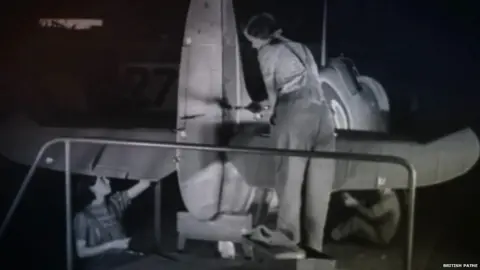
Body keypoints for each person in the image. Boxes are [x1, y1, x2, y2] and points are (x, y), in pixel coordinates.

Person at [242, 13, 336, 257]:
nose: (251, 45)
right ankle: (315, 247)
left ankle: (289, 246)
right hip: (323, 116)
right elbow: (309, 81)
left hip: (295, 114)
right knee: (320, 187)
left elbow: (273, 93)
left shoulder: (267, 53)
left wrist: (270, 116)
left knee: (289, 183)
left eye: (251, 40)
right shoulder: (300, 47)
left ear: (259, 37)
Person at [73, 175, 151, 270]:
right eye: (102, 179)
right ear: (91, 188)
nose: (108, 181)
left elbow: (144, 184)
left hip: (124, 258)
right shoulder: (83, 216)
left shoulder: (114, 202)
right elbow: (81, 252)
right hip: (101, 264)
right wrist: (111, 245)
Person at [331, 189, 401, 246]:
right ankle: (342, 229)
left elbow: (371, 214)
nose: (379, 190)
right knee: (362, 209)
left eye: (382, 188)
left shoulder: (388, 201)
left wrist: (355, 203)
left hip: (381, 237)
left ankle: (337, 235)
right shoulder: (392, 195)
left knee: (356, 221)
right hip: (383, 229)